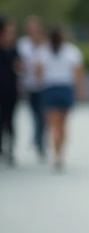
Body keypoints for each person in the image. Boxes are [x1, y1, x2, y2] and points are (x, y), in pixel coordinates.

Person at [35, 27, 85, 171]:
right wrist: (80, 90)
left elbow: (38, 72)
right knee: (63, 125)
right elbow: (78, 72)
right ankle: (60, 153)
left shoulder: (43, 51)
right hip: (65, 88)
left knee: (53, 125)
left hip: (50, 88)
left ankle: (56, 153)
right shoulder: (71, 51)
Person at [16, 15, 47, 161]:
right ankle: (37, 138)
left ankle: (39, 141)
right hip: (29, 84)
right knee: (34, 114)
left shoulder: (44, 44)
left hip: (44, 85)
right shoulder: (23, 44)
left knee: (43, 115)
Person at [0, 17, 18, 166]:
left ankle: (10, 149)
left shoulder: (13, 48)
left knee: (10, 120)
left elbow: (19, 66)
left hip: (11, 90)